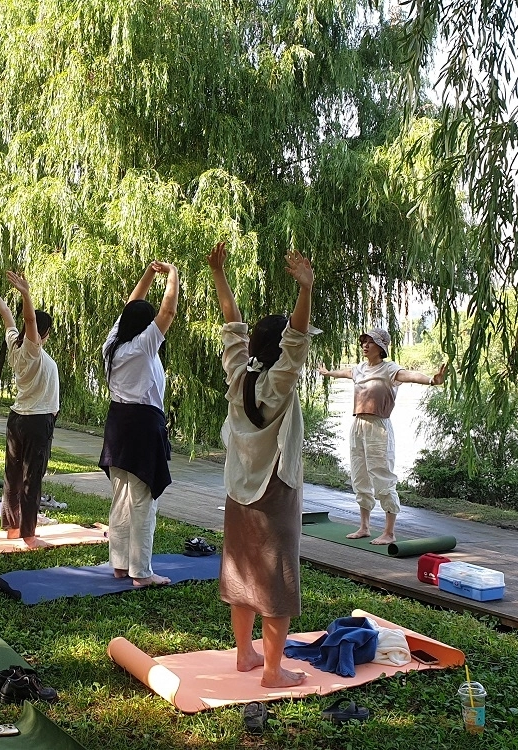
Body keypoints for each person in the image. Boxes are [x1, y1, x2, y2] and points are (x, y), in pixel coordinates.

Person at [209, 241, 314, 689]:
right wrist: (305, 291)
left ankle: (245, 654)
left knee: (242, 571)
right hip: (275, 491)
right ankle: (273, 671)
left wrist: (219, 273)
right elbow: (296, 341)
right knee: (275, 581)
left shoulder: (240, 376)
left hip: (238, 488)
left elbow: (233, 325)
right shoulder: (279, 384)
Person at [318, 330, 447, 544]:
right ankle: (364, 527)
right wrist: (327, 372)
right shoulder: (359, 369)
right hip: (357, 425)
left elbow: (411, 376)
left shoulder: (390, 369)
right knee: (359, 476)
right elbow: (344, 373)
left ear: (381, 347)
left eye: (371, 342)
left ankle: (389, 532)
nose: (365, 346)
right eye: (364, 342)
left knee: (382, 477)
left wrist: (432, 381)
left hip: (378, 426)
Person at [98, 260, 179, 587]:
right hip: (143, 425)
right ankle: (141, 573)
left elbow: (130, 307)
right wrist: (172, 275)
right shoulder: (144, 345)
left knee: (121, 497)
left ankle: (119, 564)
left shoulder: (113, 343)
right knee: (143, 501)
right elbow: (168, 313)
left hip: (118, 423)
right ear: (146, 328)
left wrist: (147, 274)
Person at [0, 270, 59, 546]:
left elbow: (7, 317)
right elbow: (27, 318)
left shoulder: (16, 344)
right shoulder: (32, 351)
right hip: (36, 421)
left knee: (13, 477)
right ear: (43, 334)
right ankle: (28, 535)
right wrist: (26, 293)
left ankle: (13, 528)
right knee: (31, 478)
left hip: (18, 419)